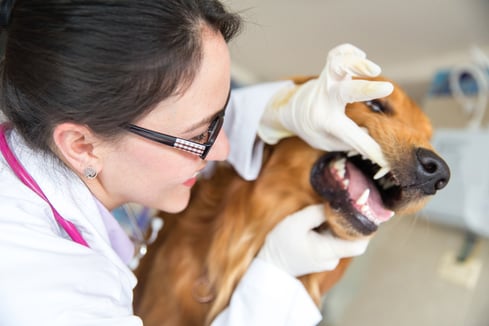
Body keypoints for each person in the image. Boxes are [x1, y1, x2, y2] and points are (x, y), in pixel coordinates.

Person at [0, 1, 393, 325]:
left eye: (221, 117)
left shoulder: (51, 143)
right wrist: (275, 280)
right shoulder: (51, 299)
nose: (221, 148)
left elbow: (168, 118)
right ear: (82, 145)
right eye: (198, 135)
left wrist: (281, 109)